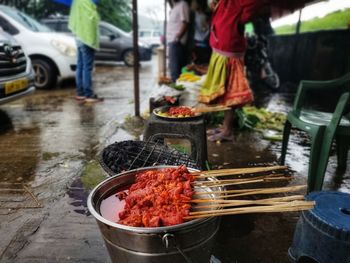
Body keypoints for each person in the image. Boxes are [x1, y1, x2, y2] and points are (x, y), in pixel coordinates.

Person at [199, 0, 267, 141]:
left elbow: (252, 9)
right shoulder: (223, 3)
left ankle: (228, 131)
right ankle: (225, 127)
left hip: (230, 56)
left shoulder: (237, 3)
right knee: (225, 94)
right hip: (221, 51)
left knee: (231, 95)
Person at [68, 0, 102, 102]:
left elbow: (74, 20)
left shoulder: (76, 3)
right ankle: (88, 94)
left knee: (80, 65)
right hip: (87, 39)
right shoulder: (88, 3)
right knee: (87, 67)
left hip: (78, 37)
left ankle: (80, 93)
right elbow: (93, 20)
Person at [167, 0, 190, 82]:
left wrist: (177, 39)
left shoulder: (183, 4)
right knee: (174, 70)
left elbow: (186, 23)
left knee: (175, 72)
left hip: (176, 43)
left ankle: (176, 92)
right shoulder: (175, 6)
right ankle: (177, 91)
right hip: (173, 42)